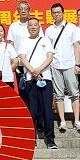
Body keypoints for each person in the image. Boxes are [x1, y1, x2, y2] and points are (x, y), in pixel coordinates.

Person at [45, 3, 80, 134]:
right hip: (55, 65)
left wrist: (77, 64)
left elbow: (76, 47)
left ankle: (77, 121)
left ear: (63, 13)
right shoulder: (49, 30)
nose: (56, 14)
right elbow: (48, 49)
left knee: (74, 93)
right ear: (51, 14)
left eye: (58, 12)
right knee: (58, 94)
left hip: (69, 64)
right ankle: (62, 121)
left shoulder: (72, 28)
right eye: (54, 12)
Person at [19, 17, 57, 149]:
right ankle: (32, 138)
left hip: (45, 78)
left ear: (39, 27)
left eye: (35, 25)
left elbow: (50, 57)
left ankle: (50, 139)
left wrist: (39, 70)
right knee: (32, 111)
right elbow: (22, 58)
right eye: (31, 25)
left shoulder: (45, 40)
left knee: (47, 110)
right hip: (30, 80)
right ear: (27, 27)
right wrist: (33, 71)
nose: (33, 27)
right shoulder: (24, 41)